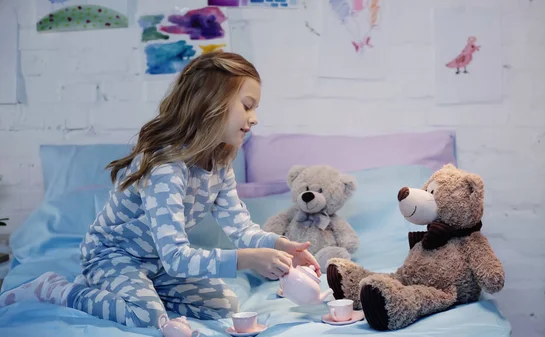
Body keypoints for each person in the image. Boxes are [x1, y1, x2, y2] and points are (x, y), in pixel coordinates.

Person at [0, 52, 321, 329]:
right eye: (248, 106)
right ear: (211, 100)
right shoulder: (166, 166)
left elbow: (240, 228)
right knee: (144, 316)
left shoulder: (219, 161)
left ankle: (134, 290)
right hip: (114, 256)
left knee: (225, 304)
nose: (254, 119)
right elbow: (179, 258)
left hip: (158, 263)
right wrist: (248, 259)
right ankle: (57, 289)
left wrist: (281, 245)